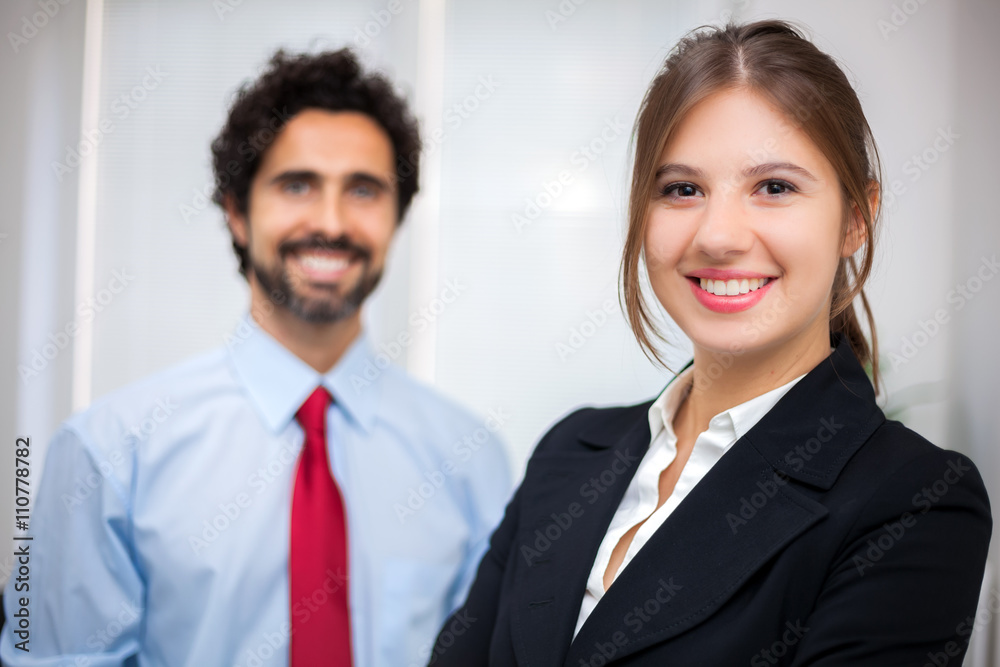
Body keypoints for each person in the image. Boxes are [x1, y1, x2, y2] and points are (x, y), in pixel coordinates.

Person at [429, 20, 991, 667]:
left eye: (774, 187)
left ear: (855, 219)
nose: (718, 236)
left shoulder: (914, 500)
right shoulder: (570, 451)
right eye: (682, 189)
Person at [0, 48, 511, 667]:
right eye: (297, 185)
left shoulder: (470, 461)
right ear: (238, 213)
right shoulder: (105, 453)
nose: (331, 222)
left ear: (396, 219)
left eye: (363, 190)